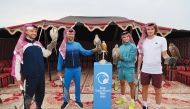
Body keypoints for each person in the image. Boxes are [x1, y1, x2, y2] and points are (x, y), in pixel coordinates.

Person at [11, 24, 56, 109]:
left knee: (40, 96)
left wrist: (51, 46)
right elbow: (16, 62)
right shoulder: (21, 45)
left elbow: (46, 54)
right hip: (29, 78)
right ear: (26, 32)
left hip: (41, 76)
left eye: (35, 31)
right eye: (31, 31)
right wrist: (18, 78)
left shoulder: (38, 44)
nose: (34, 33)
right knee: (28, 98)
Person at [57, 28, 100, 109]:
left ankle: (78, 100)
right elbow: (60, 59)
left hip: (77, 69)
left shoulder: (77, 44)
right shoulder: (63, 46)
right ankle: (65, 101)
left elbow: (84, 52)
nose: (71, 35)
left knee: (77, 85)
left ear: (74, 35)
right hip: (68, 69)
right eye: (69, 34)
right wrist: (59, 70)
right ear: (66, 35)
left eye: (72, 34)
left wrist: (93, 50)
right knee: (66, 86)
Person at [137, 23, 170, 109]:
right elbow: (141, 55)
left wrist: (170, 59)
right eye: (148, 29)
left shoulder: (162, 40)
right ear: (145, 30)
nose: (150, 31)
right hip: (145, 68)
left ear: (155, 29)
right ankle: (145, 105)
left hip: (157, 69)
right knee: (144, 87)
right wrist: (138, 68)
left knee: (158, 89)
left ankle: (157, 107)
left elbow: (164, 54)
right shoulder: (142, 41)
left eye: (152, 29)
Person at [115, 31, 137, 109]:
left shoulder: (133, 46)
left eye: (127, 36)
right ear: (122, 38)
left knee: (131, 85)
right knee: (122, 83)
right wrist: (118, 66)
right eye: (124, 37)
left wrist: (121, 58)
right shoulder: (120, 47)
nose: (126, 38)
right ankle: (123, 98)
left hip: (129, 68)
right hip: (121, 68)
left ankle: (132, 102)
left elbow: (131, 58)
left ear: (129, 37)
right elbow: (118, 59)